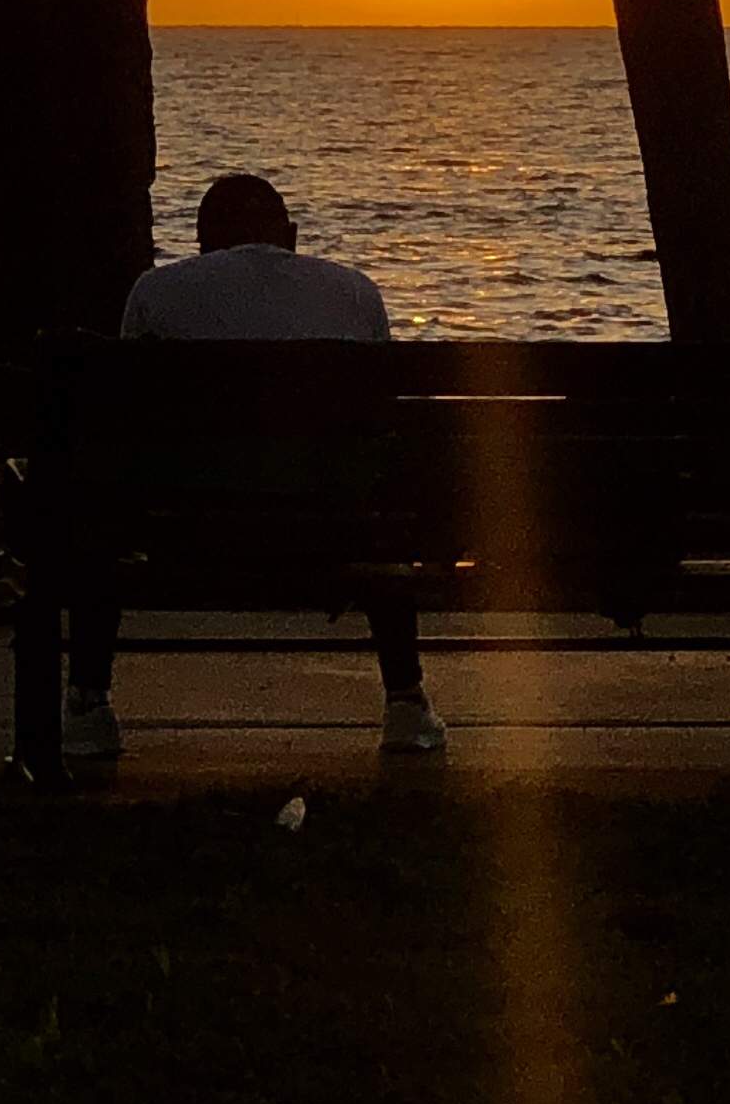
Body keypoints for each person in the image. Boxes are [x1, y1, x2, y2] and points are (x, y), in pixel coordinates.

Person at [60, 170, 449, 761]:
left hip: (187, 530)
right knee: (381, 505)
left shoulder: (157, 292)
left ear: (201, 240)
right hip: (334, 532)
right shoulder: (354, 293)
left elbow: (125, 422)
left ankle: (89, 703)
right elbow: (380, 422)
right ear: (289, 235)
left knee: (97, 491)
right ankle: (405, 700)